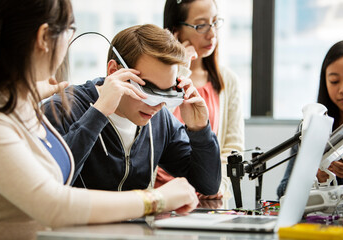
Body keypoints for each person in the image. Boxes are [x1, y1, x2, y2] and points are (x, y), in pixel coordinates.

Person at [0, 1, 198, 239]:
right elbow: (54, 204)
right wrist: (158, 199)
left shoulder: (17, 103)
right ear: (45, 36)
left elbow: (54, 173)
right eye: (69, 31)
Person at [43, 24, 221, 196]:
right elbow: (49, 185)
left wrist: (200, 129)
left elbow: (207, 185)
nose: (157, 105)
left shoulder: (160, 119)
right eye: (148, 90)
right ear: (114, 71)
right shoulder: (63, 109)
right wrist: (99, 113)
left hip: (138, 225)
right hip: (75, 225)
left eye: (166, 93)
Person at [156, 0, 244, 204]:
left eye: (215, 22)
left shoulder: (227, 80)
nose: (212, 33)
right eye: (201, 25)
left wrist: (218, 184)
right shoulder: (158, 77)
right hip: (160, 195)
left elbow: (233, 146)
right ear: (175, 30)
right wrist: (180, 67)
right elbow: (155, 120)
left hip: (207, 197)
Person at [277, 40, 343, 198]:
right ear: (324, 81)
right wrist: (313, 178)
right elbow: (282, 191)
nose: (342, 89)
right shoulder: (311, 127)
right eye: (334, 81)